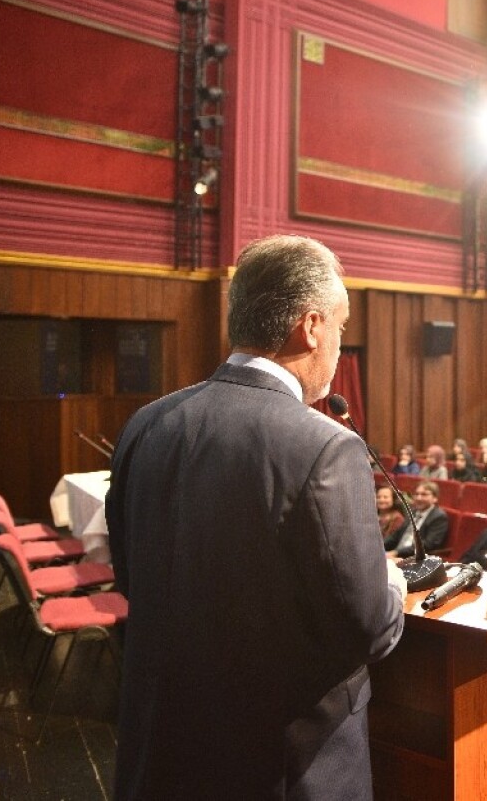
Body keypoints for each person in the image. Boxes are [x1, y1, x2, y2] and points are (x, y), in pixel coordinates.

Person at [105, 234, 407, 799]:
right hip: (283, 765)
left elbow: (132, 577)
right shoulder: (323, 445)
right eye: (341, 327)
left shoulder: (148, 423)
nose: (340, 347)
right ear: (311, 326)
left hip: (162, 750)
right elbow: (368, 627)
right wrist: (389, 577)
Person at [387, 480, 448, 560]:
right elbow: (396, 535)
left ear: (435, 498)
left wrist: (397, 552)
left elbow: (427, 545)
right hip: (396, 554)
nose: (419, 498)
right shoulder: (413, 511)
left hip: (415, 558)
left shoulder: (439, 517)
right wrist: (379, 546)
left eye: (424, 494)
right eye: (416, 494)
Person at [376, 486, 406, 552]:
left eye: (385, 497)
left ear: (394, 499)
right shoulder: (371, 514)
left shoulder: (397, 519)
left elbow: (391, 542)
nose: (381, 500)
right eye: (378, 497)